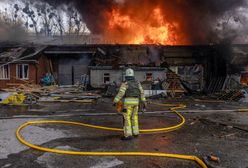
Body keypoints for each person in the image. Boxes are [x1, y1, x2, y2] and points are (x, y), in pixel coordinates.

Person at [113, 68, 147, 140]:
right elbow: (142, 92)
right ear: (133, 75)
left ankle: (128, 135)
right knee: (134, 117)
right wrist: (144, 102)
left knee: (127, 118)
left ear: (126, 76)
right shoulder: (137, 83)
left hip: (127, 103)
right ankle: (135, 133)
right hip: (136, 103)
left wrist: (115, 101)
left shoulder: (125, 83)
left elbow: (121, 93)